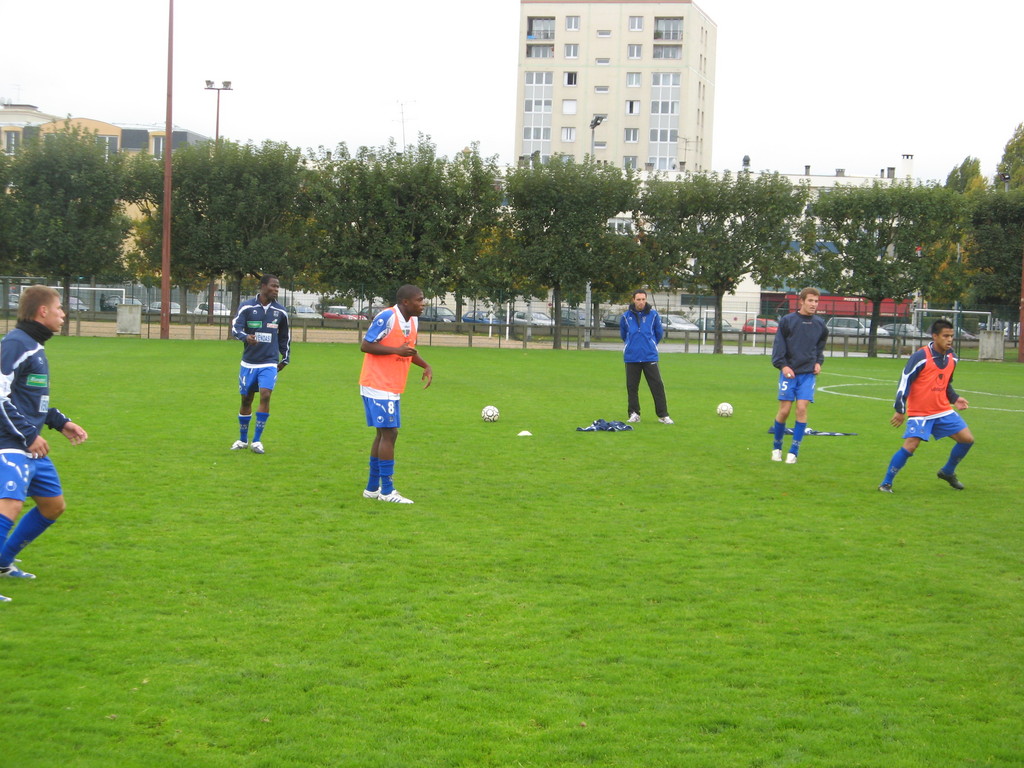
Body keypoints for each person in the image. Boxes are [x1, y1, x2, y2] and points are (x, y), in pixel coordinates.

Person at [0, 286, 89, 603]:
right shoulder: (15, 344)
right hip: (9, 443)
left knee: (53, 506)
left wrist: (59, 421)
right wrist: (28, 434)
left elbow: (31, 399)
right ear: (42, 312)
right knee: (9, 504)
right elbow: (0, 395)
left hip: (29, 443)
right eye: (59, 308)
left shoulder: (33, 345)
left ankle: (3, 562)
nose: (63, 314)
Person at [878, 319, 973, 493]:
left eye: (951, 336)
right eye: (945, 336)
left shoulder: (953, 356)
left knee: (967, 439)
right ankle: (886, 483)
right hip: (920, 412)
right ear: (935, 336)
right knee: (911, 445)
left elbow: (946, 383)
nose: (949, 339)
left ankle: (947, 472)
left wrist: (955, 398)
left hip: (942, 409)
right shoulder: (920, 357)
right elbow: (904, 382)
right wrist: (900, 410)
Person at [359, 285, 433, 504]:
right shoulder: (387, 317)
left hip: (392, 385)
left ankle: (372, 488)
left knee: (384, 434)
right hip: (377, 383)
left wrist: (425, 365)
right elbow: (365, 345)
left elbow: (407, 350)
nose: (423, 304)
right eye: (419, 300)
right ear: (405, 302)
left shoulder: (413, 321)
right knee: (390, 433)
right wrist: (396, 351)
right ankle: (387, 491)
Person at [230, 275, 290, 454]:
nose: (276, 289)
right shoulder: (247, 307)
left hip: (269, 362)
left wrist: (285, 358)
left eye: (278, 287)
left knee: (265, 395)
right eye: (273, 286)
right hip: (249, 363)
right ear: (263, 286)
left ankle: (257, 441)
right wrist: (245, 337)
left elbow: (285, 337)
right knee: (246, 399)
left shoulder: (281, 311)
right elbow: (235, 327)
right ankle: (242, 440)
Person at [770, 287, 828, 464]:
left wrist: (818, 362)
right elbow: (779, 348)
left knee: (801, 408)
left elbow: (819, 349)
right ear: (801, 301)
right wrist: (783, 366)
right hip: (789, 374)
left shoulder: (820, 325)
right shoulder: (788, 321)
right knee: (785, 410)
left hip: (807, 374)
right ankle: (777, 447)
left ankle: (794, 451)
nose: (813, 304)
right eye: (810, 301)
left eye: (816, 301)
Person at [619, 290, 673, 425]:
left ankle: (663, 415)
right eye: (638, 299)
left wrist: (651, 344)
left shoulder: (654, 315)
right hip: (632, 357)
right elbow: (623, 335)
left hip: (649, 356)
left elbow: (658, 333)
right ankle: (634, 414)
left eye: (643, 299)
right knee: (632, 387)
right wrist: (631, 345)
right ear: (633, 300)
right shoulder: (625, 317)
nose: (641, 302)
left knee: (657, 386)